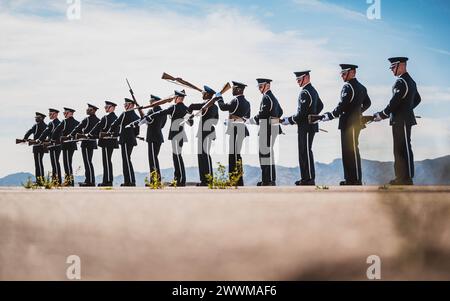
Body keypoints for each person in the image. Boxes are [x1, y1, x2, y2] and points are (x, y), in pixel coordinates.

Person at [373, 57, 421, 185]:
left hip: (403, 120)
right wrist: (407, 108)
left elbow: (394, 102)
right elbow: (417, 99)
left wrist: (382, 114)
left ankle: (407, 178)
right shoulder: (410, 81)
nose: (392, 70)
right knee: (398, 149)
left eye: (393, 67)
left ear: (401, 65)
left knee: (404, 148)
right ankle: (401, 177)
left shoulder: (402, 81)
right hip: (400, 119)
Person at [320, 64, 371, 185]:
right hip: (352, 122)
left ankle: (355, 179)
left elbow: (342, 105)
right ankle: (350, 179)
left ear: (352, 72)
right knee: (348, 151)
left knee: (351, 151)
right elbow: (368, 103)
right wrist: (358, 111)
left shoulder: (348, 87)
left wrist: (331, 115)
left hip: (350, 123)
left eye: (344, 73)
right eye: (341, 73)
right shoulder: (362, 87)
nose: (342, 76)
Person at [137, 90, 192, 187]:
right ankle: (178, 179)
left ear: (177, 98)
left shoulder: (174, 107)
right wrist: (188, 116)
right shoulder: (186, 109)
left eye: (174, 97)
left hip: (176, 134)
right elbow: (191, 123)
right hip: (181, 134)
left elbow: (162, 112)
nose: (173, 99)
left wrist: (149, 115)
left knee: (177, 158)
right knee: (177, 157)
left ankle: (180, 180)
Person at [281, 70, 324, 186]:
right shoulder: (312, 90)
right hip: (309, 125)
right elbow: (320, 105)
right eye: (297, 80)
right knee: (304, 151)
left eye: (299, 79)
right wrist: (313, 115)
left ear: (307, 77)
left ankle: (309, 178)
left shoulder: (305, 92)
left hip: (306, 127)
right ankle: (305, 178)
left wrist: (288, 120)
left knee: (305, 151)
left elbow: (301, 114)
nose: (298, 82)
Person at [247, 78, 283, 186]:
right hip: (269, 127)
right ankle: (266, 179)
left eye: (260, 86)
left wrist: (251, 121)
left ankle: (269, 180)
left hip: (268, 128)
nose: (259, 89)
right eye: (258, 86)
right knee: (265, 154)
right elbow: (280, 111)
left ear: (267, 85)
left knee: (266, 154)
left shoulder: (267, 97)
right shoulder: (271, 98)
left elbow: (262, 114)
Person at [216, 81, 251, 186]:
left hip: (236, 129)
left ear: (239, 89)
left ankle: (234, 180)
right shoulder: (247, 102)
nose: (232, 90)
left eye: (234, 88)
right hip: (240, 128)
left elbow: (223, 107)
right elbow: (247, 117)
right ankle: (238, 180)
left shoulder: (236, 100)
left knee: (234, 155)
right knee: (237, 154)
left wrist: (219, 97)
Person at [187, 86, 219, 186]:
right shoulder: (211, 106)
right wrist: (192, 116)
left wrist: (190, 116)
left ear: (208, 95)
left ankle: (209, 180)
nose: (202, 94)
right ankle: (204, 180)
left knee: (204, 155)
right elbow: (216, 121)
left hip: (206, 132)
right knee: (201, 156)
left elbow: (191, 106)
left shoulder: (209, 105)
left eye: (204, 93)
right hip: (205, 132)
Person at [110, 98, 140, 187]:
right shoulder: (137, 117)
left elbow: (115, 124)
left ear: (131, 105)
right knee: (126, 159)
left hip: (126, 139)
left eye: (126, 104)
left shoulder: (124, 114)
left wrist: (112, 131)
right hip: (131, 140)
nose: (124, 105)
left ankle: (130, 181)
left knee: (126, 160)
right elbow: (137, 132)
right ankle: (128, 181)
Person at [88, 101, 119, 187]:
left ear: (112, 108)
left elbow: (98, 127)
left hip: (105, 142)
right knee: (108, 160)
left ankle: (107, 181)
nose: (105, 108)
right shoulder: (116, 118)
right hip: (112, 142)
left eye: (107, 107)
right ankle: (108, 180)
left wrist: (90, 134)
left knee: (106, 161)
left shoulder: (106, 118)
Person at [70, 103, 100, 187]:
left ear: (93, 110)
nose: (87, 110)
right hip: (92, 142)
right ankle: (90, 180)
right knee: (89, 161)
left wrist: (71, 135)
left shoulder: (87, 120)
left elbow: (78, 128)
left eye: (89, 109)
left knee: (87, 162)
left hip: (86, 143)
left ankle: (89, 181)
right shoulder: (98, 120)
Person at [53, 107, 79, 186]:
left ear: (70, 113)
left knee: (67, 163)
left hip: (66, 145)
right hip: (73, 145)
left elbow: (56, 131)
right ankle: (70, 181)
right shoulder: (77, 122)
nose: (64, 114)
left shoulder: (64, 122)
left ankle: (69, 182)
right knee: (69, 163)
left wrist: (56, 139)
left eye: (65, 113)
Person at [144, 95, 167, 182]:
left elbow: (148, 121)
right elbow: (162, 125)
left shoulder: (152, 111)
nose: (150, 103)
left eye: (151, 101)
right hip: (158, 136)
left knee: (152, 159)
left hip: (152, 137)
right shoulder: (163, 112)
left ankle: (155, 180)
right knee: (154, 158)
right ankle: (156, 178)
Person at [37, 108, 62, 184]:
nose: (49, 115)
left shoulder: (52, 123)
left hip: (53, 146)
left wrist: (39, 139)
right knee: (55, 162)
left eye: (51, 114)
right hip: (58, 145)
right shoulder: (60, 123)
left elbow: (46, 132)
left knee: (55, 163)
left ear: (56, 114)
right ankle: (56, 180)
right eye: (49, 114)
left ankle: (57, 181)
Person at [23, 112, 47, 184]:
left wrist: (25, 138)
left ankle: (40, 180)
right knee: (38, 163)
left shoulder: (37, 126)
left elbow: (29, 132)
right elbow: (29, 131)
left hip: (38, 146)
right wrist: (25, 138)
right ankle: (39, 180)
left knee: (38, 163)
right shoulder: (45, 125)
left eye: (38, 117)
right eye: (36, 117)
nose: (36, 118)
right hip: (39, 146)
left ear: (41, 118)